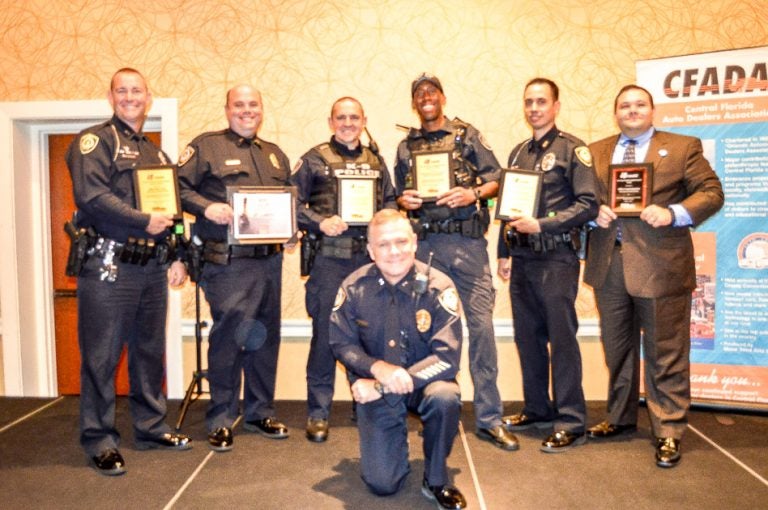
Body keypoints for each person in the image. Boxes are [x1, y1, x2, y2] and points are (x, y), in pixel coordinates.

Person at [583, 84, 723, 467]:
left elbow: (711, 192)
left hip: (661, 266)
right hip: (609, 265)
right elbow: (582, 198)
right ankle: (619, 418)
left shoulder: (682, 147)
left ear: (652, 109)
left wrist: (673, 212)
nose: (631, 110)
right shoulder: (594, 151)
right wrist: (594, 211)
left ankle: (669, 430)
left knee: (666, 353)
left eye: (639, 104)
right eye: (624, 105)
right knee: (618, 350)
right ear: (616, 113)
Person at [65, 68, 192, 476]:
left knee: (148, 354)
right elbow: (92, 195)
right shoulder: (95, 141)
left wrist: (177, 254)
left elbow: (171, 212)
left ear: (148, 97)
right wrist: (142, 220)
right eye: (122, 91)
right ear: (111, 96)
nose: (130, 97)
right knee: (101, 357)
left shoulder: (156, 154)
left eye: (137, 91)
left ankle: (151, 427)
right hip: (108, 266)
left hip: (151, 269)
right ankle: (99, 439)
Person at [395, 73, 519, 452]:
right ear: (414, 103)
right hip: (426, 249)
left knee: (481, 329)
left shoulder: (466, 136)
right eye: (420, 94)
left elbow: (498, 177)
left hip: (468, 248)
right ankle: (426, 406)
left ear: (443, 98)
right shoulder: (405, 147)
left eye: (432, 92)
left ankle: (489, 417)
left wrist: (472, 194)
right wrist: (404, 202)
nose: (426, 97)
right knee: (420, 331)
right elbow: (397, 195)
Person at [178, 84, 292, 452]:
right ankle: (221, 418)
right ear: (227, 110)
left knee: (263, 338)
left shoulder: (275, 156)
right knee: (229, 339)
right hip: (227, 265)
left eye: (253, 105)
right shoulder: (207, 147)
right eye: (239, 105)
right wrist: (205, 207)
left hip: (269, 263)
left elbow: (287, 202)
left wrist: (290, 232)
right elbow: (175, 187)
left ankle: (260, 412)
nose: (247, 111)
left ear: (262, 109)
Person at [329, 209, 467, 510]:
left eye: (401, 242)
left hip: (423, 384)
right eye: (383, 244)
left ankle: (436, 477)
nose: (394, 251)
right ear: (370, 250)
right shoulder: (354, 288)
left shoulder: (438, 287)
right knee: (382, 485)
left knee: (445, 397)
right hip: (375, 381)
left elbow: (448, 356)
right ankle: (393, 441)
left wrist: (385, 385)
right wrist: (376, 369)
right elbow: (341, 343)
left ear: (415, 243)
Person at [497, 77, 599, 452]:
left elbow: (588, 203)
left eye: (541, 101)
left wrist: (543, 224)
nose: (534, 108)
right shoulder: (518, 153)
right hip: (522, 257)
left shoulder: (575, 150)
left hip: (557, 256)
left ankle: (571, 420)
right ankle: (538, 408)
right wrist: (503, 253)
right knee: (528, 339)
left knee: (562, 339)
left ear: (556, 106)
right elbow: (506, 210)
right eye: (529, 102)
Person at [291, 97, 397, 442]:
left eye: (354, 117)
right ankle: (318, 412)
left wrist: (383, 221)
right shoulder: (314, 158)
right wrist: (320, 221)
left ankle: (366, 405)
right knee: (326, 336)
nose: (348, 122)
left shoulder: (375, 161)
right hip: (329, 262)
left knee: (370, 335)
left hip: (368, 263)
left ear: (364, 120)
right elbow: (289, 199)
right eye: (341, 117)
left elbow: (391, 203)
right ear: (331, 121)